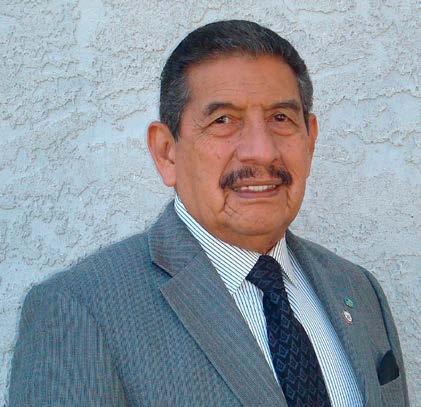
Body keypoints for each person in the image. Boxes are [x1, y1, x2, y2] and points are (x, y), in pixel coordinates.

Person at [9, 20, 409, 407]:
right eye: (223, 121)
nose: (261, 151)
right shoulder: (79, 310)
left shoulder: (357, 289)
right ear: (167, 152)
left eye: (281, 119)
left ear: (310, 140)